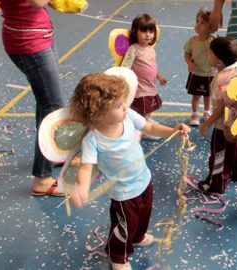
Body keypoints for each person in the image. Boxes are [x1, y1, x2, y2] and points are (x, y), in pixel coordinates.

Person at [69, 73, 190, 270]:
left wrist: (172, 130)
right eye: (118, 106)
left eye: (123, 102)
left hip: (144, 179)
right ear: (97, 113)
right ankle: (118, 255)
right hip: (123, 193)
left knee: (144, 214)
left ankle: (138, 236)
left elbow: (149, 126)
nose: (126, 107)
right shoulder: (93, 139)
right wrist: (82, 188)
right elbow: (86, 166)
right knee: (124, 225)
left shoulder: (128, 117)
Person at [0, 0, 65, 196]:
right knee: (53, 107)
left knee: (47, 102)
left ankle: (49, 155)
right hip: (30, 43)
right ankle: (42, 178)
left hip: (39, 35)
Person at [198, 37, 237, 194]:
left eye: (210, 52)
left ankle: (216, 184)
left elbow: (222, 106)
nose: (207, 54)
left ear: (219, 61)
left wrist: (207, 124)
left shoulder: (220, 79)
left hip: (224, 127)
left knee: (220, 155)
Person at [121, 14, 167, 139]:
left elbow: (153, 66)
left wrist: (159, 77)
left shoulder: (151, 49)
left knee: (148, 108)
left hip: (150, 86)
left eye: (151, 31)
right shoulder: (133, 49)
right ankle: (142, 130)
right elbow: (125, 67)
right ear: (135, 32)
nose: (148, 35)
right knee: (142, 109)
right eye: (144, 31)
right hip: (140, 88)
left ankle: (145, 124)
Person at [184, 7, 216, 126]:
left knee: (208, 96)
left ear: (211, 27)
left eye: (202, 23)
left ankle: (207, 112)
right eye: (197, 21)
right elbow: (187, 53)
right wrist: (189, 63)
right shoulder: (192, 41)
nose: (198, 25)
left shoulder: (213, 41)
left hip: (210, 74)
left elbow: (218, 54)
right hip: (196, 73)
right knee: (196, 96)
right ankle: (195, 113)